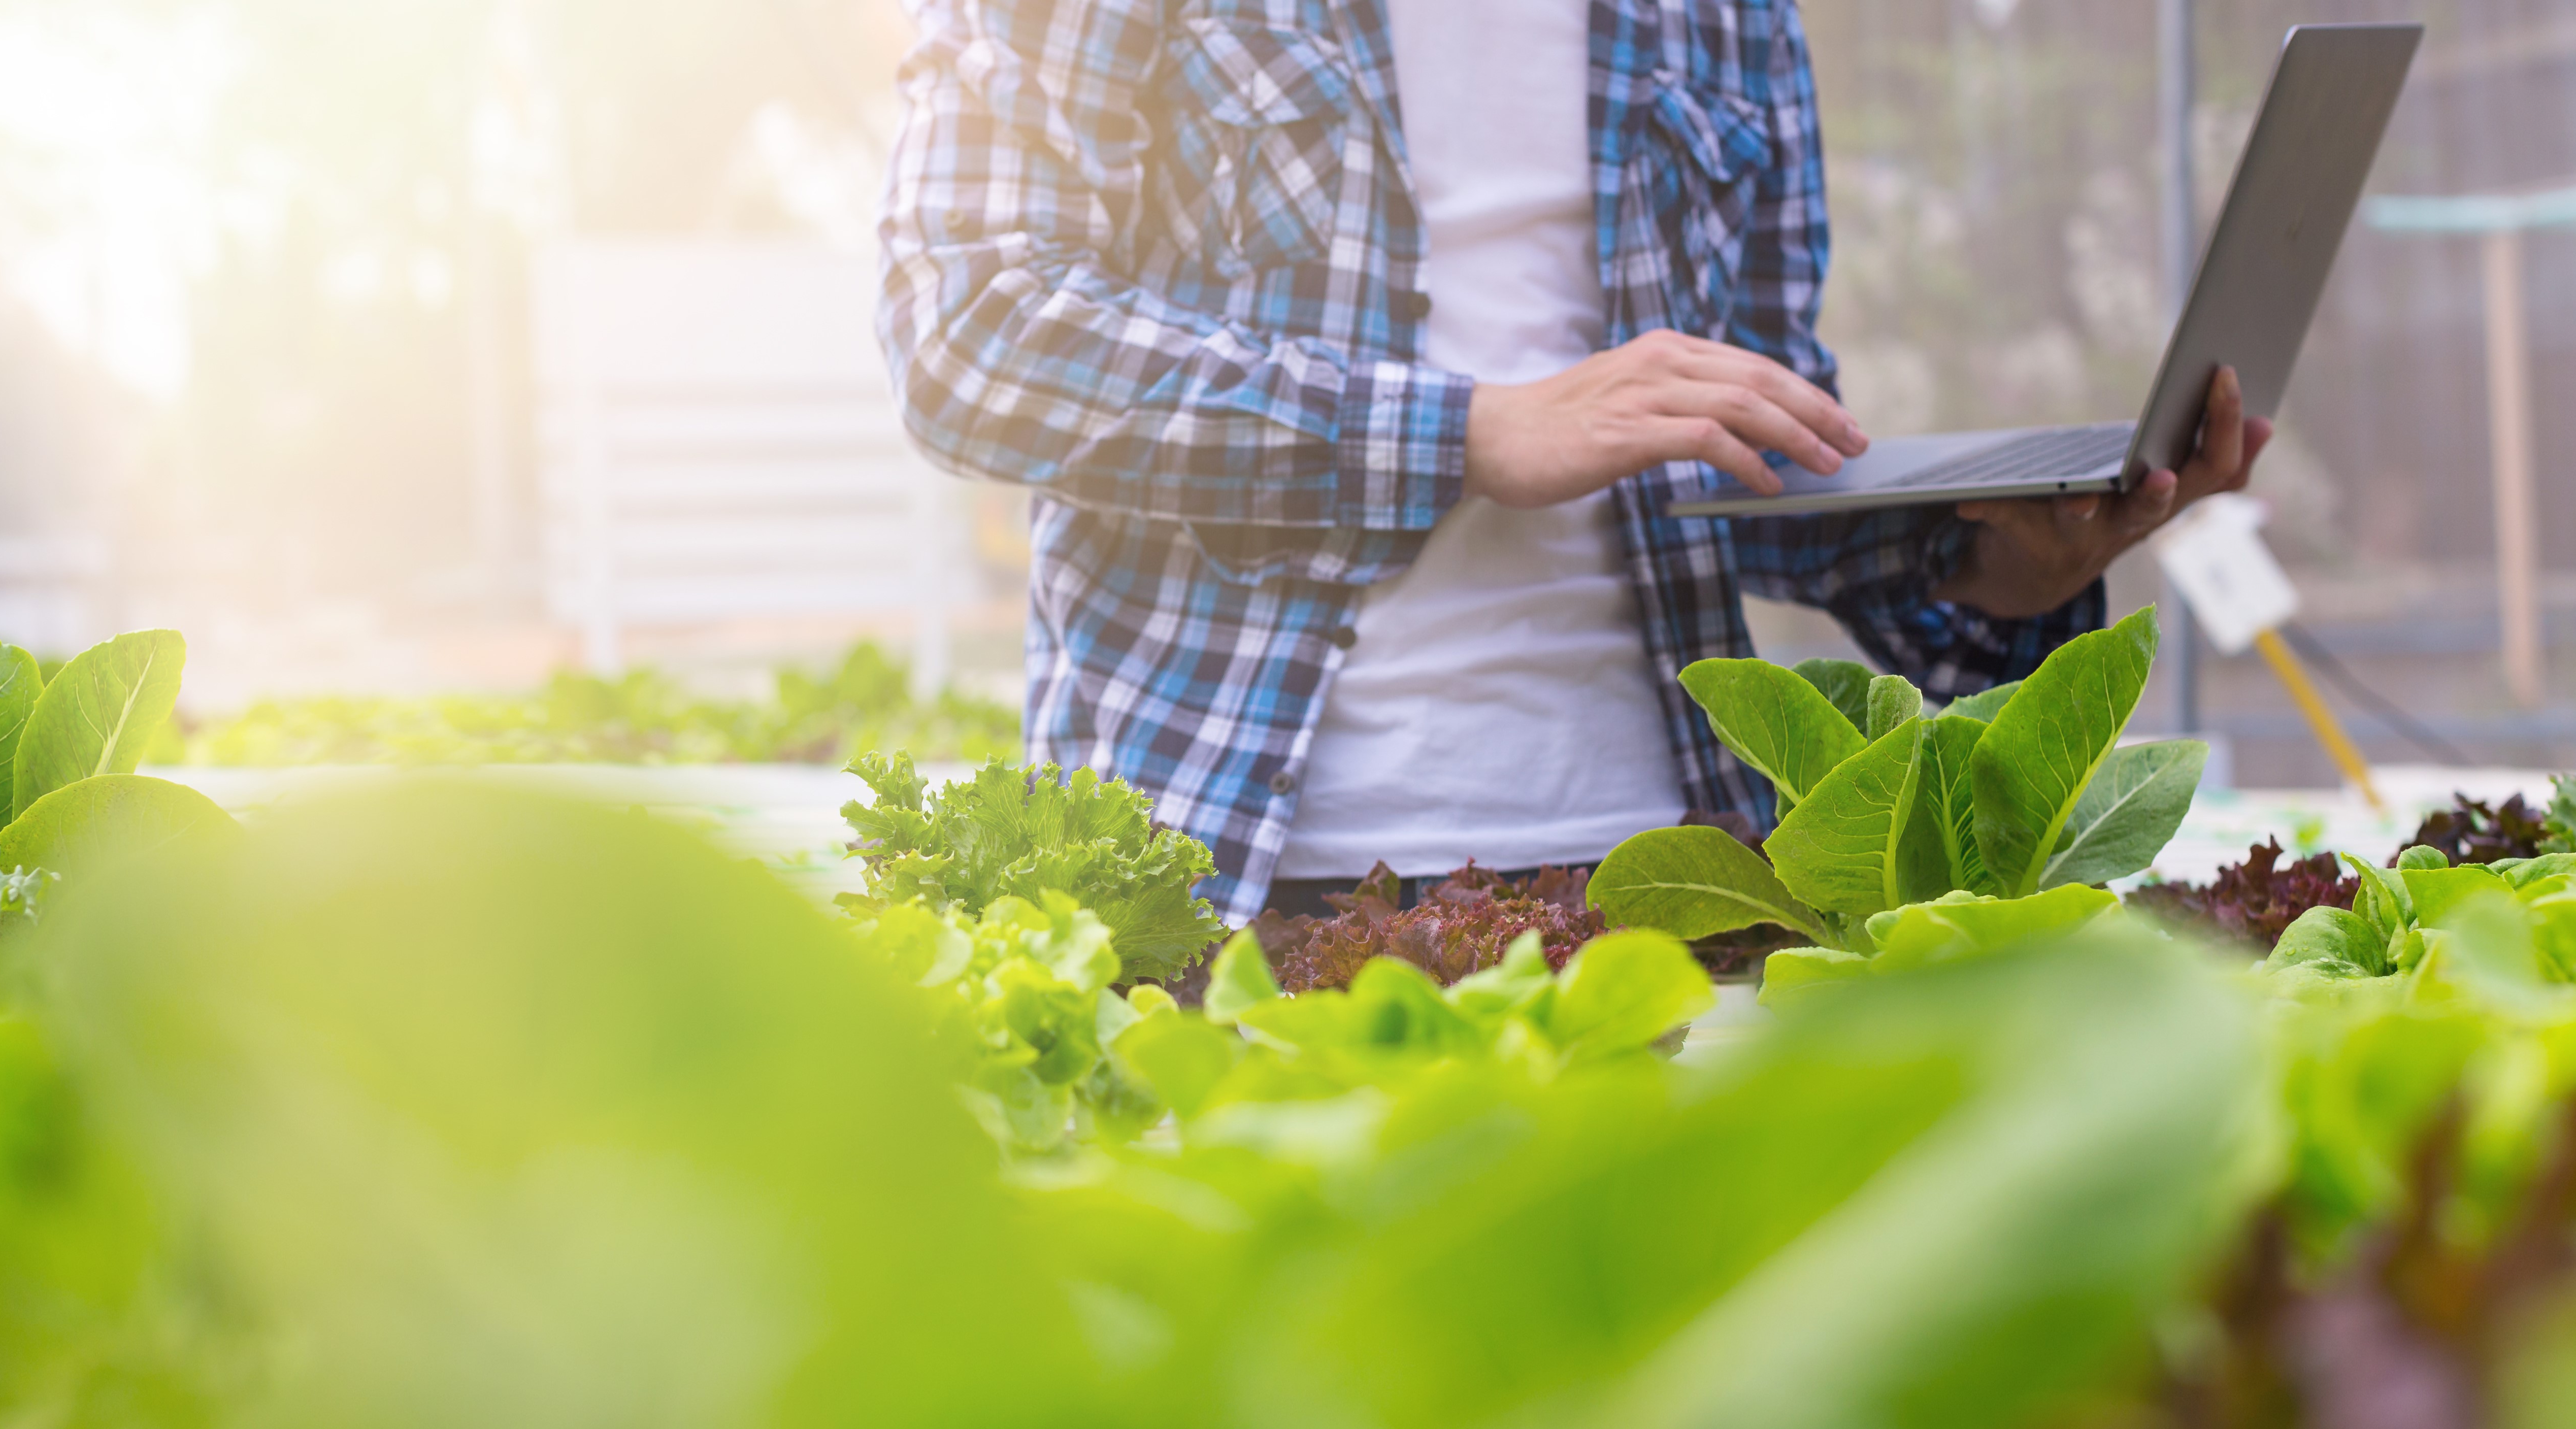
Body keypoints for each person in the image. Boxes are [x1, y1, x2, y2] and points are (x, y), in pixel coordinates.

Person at [877, 0, 2269, 921]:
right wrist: (1470, 431)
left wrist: (1987, 564)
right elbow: (970, 336)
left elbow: (1742, 431)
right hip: (1244, 870)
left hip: (1675, 877)